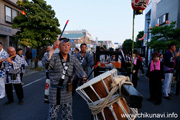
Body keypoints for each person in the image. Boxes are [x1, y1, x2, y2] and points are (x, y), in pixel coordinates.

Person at [46, 38, 87, 120]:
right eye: (63, 45)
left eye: (68, 45)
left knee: (67, 115)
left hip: (67, 90)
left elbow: (80, 70)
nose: (66, 47)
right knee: (53, 115)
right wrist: (53, 49)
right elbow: (46, 65)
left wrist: (83, 77)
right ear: (59, 48)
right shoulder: (53, 57)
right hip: (55, 90)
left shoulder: (73, 59)